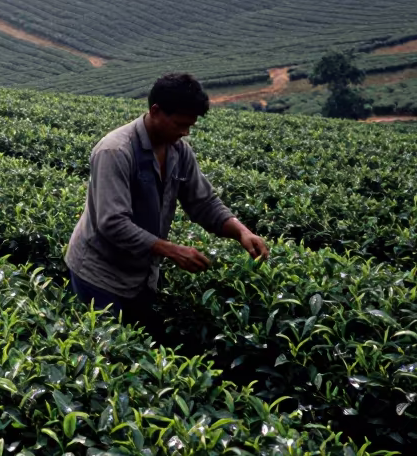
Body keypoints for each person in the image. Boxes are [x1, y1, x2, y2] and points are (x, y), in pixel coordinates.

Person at [64, 73, 269, 331]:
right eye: (179, 124)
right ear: (155, 110)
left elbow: (203, 203)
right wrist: (173, 251)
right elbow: (112, 223)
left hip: (142, 274)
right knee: (109, 352)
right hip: (99, 274)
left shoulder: (179, 151)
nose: (184, 132)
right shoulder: (115, 151)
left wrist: (241, 231)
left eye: (189, 127)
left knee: (137, 346)